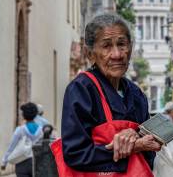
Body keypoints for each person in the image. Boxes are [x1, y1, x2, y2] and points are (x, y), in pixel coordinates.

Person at [60, 13, 161, 173]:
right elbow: (75, 153)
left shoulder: (136, 94)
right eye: (106, 46)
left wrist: (136, 136)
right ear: (90, 54)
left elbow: (150, 152)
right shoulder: (82, 89)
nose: (117, 54)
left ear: (131, 48)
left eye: (122, 44)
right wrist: (132, 147)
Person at [1, 102, 43, 177]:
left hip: (21, 163)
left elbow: (11, 147)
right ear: (35, 114)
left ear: (23, 115)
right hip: (36, 162)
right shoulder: (41, 130)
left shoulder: (20, 130)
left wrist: (4, 162)